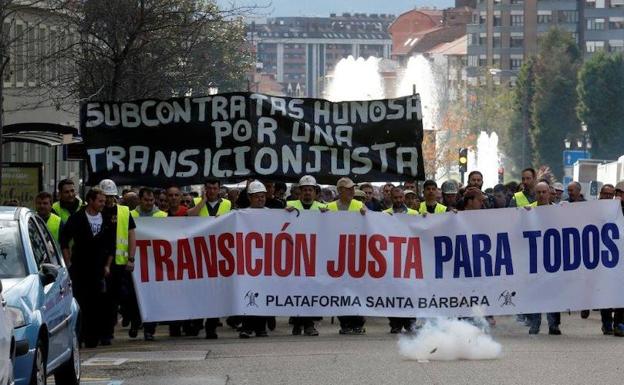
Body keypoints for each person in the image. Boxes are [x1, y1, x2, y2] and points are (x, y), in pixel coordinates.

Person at [60, 187, 115, 348]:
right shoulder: (77, 218)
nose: (103, 204)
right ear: (90, 201)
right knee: (81, 302)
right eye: (100, 201)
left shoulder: (106, 219)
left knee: (98, 303)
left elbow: (112, 244)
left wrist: (107, 265)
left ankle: (94, 336)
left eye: (104, 201)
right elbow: (64, 240)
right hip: (80, 267)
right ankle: (80, 335)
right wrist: (68, 262)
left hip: (99, 268)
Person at [190, 180, 234, 339]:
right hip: (199, 251)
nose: (212, 191)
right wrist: (202, 202)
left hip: (219, 252)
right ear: (205, 189)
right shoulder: (196, 201)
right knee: (199, 290)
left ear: (219, 189)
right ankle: (196, 321)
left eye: (215, 188)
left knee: (215, 291)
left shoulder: (228, 204)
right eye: (209, 188)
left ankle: (211, 326)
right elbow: (189, 216)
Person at [285, 175, 326, 336]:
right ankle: (298, 322)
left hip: (313, 255)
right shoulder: (289, 205)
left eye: (310, 190)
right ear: (299, 192)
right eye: (305, 190)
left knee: (310, 289)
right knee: (296, 289)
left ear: (315, 192)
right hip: (294, 253)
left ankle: (307, 324)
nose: (307, 193)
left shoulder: (322, 207)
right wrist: (283, 213)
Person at [99, 179, 138, 343]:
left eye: (111, 196)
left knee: (122, 296)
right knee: (105, 299)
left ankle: (132, 319)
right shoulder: (95, 211)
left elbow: (131, 235)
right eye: (105, 196)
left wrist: (131, 258)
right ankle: (106, 331)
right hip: (100, 262)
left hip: (120, 262)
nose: (108, 200)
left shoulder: (123, 211)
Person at [327, 177, 367, 335]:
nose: (352, 191)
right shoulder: (329, 207)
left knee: (357, 288)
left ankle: (358, 321)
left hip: (356, 253)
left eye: (352, 188)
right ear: (340, 191)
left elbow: (372, 224)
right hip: (336, 255)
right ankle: (344, 322)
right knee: (340, 290)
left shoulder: (359, 205)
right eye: (348, 188)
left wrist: (367, 214)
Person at [130, 188, 167, 340]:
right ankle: (135, 322)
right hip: (136, 261)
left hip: (154, 262)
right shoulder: (131, 215)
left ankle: (149, 330)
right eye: (146, 200)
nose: (149, 203)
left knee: (153, 296)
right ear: (140, 200)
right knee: (133, 297)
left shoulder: (162, 216)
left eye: (151, 200)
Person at [525, 181, 562, 335]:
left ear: (549, 193)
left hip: (552, 257)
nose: (541, 195)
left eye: (544, 192)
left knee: (553, 291)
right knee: (536, 292)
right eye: (538, 192)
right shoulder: (529, 210)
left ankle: (553, 325)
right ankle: (535, 324)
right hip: (534, 257)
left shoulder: (558, 210)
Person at [239, 181, 272, 339]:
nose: (261, 199)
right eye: (257, 196)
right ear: (250, 197)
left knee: (263, 294)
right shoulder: (241, 214)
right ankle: (247, 327)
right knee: (247, 295)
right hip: (247, 261)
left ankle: (261, 327)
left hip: (265, 262)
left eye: (263, 196)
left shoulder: (272, 214)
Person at [383, 187, 417, 333]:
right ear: (391, 198)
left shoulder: (414, 214)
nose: (398, 200)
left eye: (400, 197)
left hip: (410, 256)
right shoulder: (384, 214)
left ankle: (410, 322)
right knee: (393, 291)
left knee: (410, 291)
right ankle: (395, 323)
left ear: (404, 197)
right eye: (395, 198)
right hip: (391, 257)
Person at [596, 184, 624, 336]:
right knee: (605, 293)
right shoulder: (592, 209)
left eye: (610, 194)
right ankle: (606, 323)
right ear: (600, 194)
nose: (608, 197)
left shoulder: (619, 210)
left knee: (620, 291)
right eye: (605, 194)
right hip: (600, 259)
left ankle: (619, 323)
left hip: (618, 259)